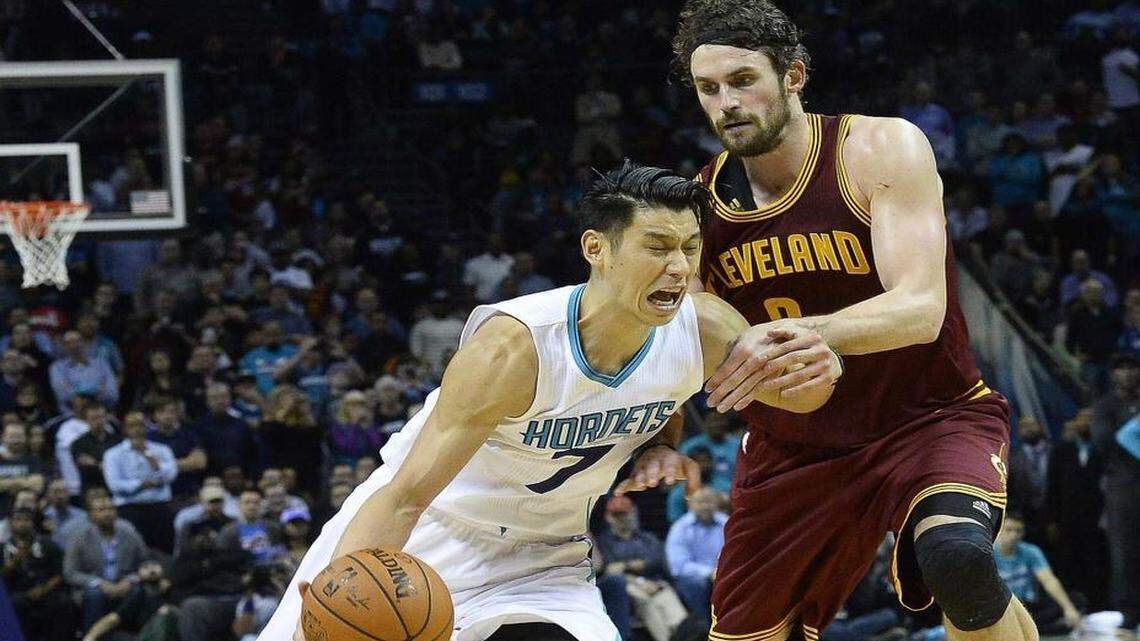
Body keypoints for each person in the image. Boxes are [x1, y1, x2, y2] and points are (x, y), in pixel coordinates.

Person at [259, 162, 838, 641]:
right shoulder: (514, 349)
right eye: (657, 247)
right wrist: (346, 584)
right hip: (427, 536)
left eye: (690, 247)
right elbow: (406, 495)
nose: (680, 267)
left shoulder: (705, 330)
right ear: (597, 248)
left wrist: (821, 365)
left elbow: (788, 398)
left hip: (546, 557)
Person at [674, 2, 1025, 638]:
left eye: (743, 80)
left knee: (957, 561)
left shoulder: (878, 147)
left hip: (925, 417)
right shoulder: (696, 206)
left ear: (794, 76)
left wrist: (802, 336)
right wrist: (661, 435)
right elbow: (678, 334)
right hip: (794, 445)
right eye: (708, 88)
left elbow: (920, 307)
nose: (726, 102)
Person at [597, 496, 688, 641]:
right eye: (616, 515)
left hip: (656, 583)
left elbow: (657, 561)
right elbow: (610, 571)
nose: (621, 518)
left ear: (633, 512)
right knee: (645, 601)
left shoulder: (647, 538)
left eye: (624, 513)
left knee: (676, 615)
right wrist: (637, 574)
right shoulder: (603, 542)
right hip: (629, 586)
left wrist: (626, 566)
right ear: (608, 517)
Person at [993, 514, 1082, 634]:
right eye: (1008, 530)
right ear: (998, 531)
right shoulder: (987, 553)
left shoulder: (1031, 551)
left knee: (1076, 600)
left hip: (1029, 606)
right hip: (1001, 608)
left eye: (1018, 531)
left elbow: (1049, 580)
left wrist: (1068, 608)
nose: (1013, 535)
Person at [665, 486, 727, 620]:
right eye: (700, 502)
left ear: (717, 503)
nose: (705, 506)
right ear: (691, 504)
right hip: (694, 580)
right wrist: (710, 573)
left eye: (709, 502)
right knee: (696, 583)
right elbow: (678, 566)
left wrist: (721, 573)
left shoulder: (727, 523)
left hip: (724, 575)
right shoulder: (680, 527)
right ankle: (704, 628)